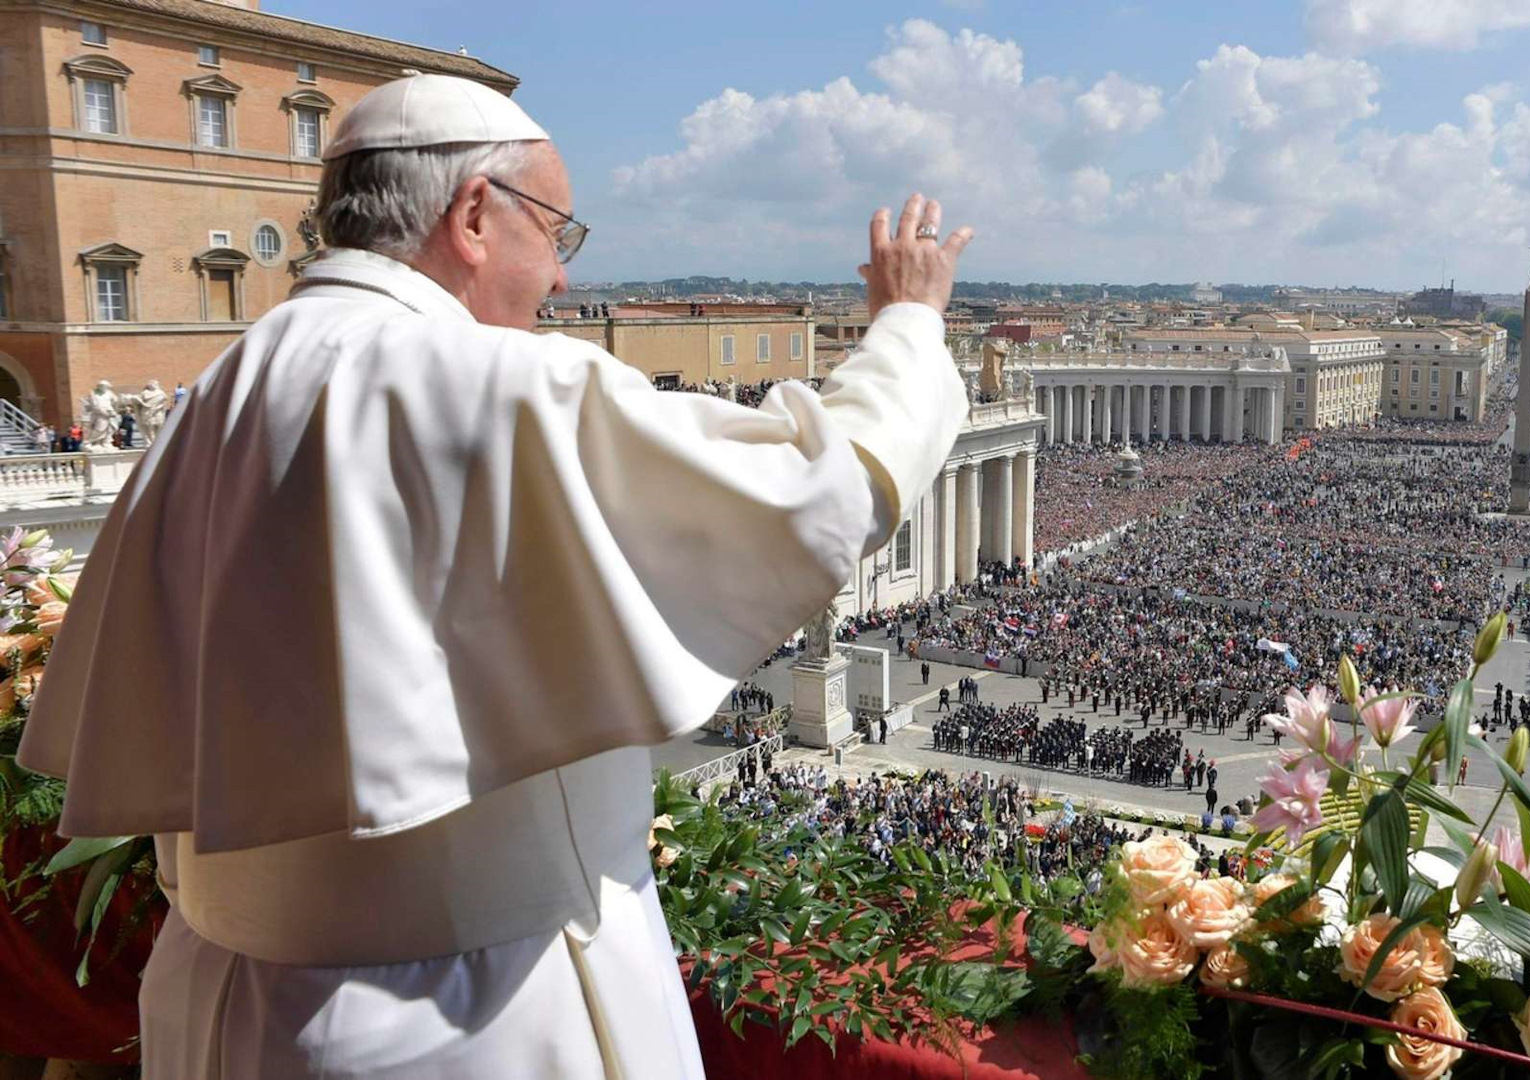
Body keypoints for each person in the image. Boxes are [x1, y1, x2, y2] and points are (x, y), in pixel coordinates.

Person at [17, 74, 975, 1080]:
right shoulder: (486, 379)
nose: (559, 281)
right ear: (474, 215)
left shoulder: (222, 389)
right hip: (472, 1020)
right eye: (557, 235)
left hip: (226, 1012)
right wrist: (908, 324)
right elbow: (817, 489)